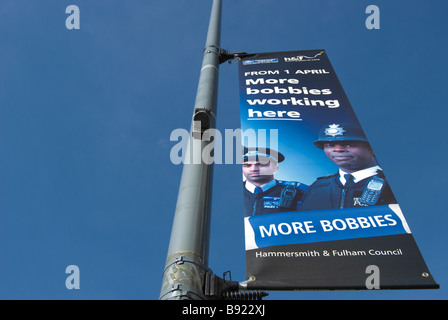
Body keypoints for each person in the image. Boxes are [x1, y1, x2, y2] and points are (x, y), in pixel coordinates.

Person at [299, 123, 397, 211]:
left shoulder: (395, 184)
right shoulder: (317, 187)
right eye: (329, 145)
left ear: (372, 149)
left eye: (348, 144)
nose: (337, 150)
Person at [242, 147, 307, 217]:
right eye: (247, 165)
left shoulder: (300, 192)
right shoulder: (230, 193)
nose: (253, 169)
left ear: (275, 168)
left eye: (261, 164)